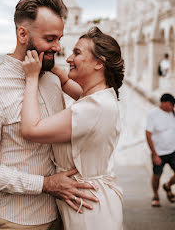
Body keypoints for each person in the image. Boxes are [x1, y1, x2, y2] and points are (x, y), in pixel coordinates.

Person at [0, 0, 98, 230]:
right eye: (50, 39)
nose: (58, 47)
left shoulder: (52, 80)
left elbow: (97, 101)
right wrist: (45, 184)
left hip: (62, 214)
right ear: (22, 34)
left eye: (59, 38)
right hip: (16, 220)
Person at [21, 27, 124, 230]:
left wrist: (32, 78)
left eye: (77, 53)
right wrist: (57, 72)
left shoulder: (93, 107)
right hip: (91, 201)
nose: (68, 58)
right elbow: (77, 92)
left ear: (98, 63)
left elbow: (31, 130)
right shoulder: (102, 97)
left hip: (88, 209)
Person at [146, 93, 175, 207]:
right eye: (171, 105)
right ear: (163, 103)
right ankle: (155, 195)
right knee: (157, 175)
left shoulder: (172, 113)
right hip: (159, 152)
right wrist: (154, 154)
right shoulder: (153, 114)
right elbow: (148, 134)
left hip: (173, 151)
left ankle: (167, 186)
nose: (172, 107)